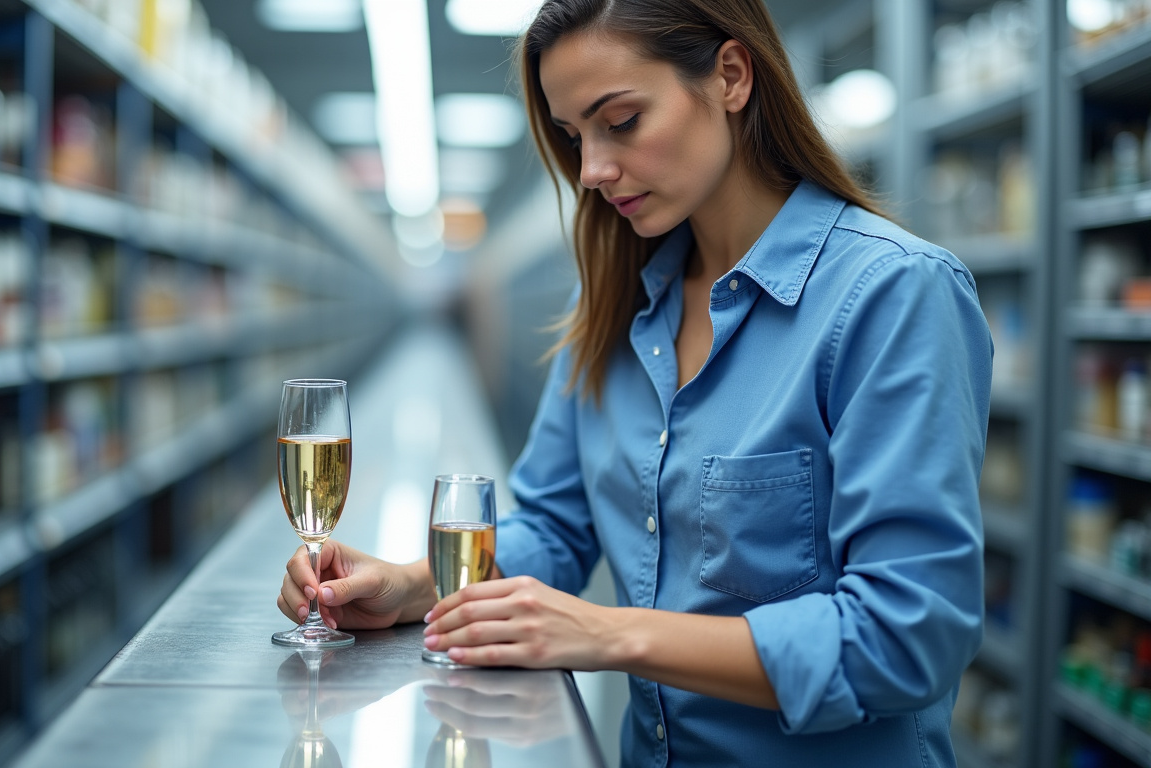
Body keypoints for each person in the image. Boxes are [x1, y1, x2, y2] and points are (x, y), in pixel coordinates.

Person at [277, 0, 991, 764]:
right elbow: (555, 527)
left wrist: (610, 634)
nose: (591, 171)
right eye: (572, 137)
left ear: (730, 76)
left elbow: (909, 636)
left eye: (620, 122)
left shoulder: (891, 294)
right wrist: (415, 585)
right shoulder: (613, 303)